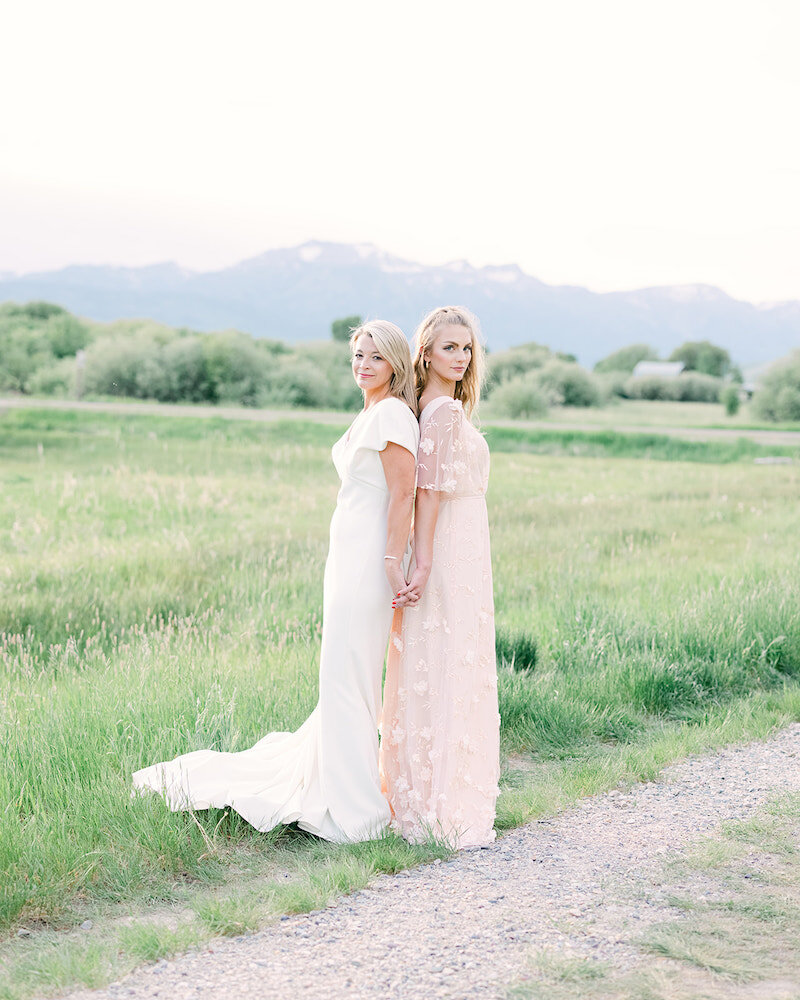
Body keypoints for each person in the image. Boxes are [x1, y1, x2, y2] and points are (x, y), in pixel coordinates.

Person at [134, 321, 419, 844]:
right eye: (357, 355)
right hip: (347, 555)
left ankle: (354, 806)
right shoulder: (372, 412)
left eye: (374, 358)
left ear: (395, 365)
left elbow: (404, 495)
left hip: (369, 563)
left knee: (349, 675)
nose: (363, 365)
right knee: (339, 673)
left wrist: (391, 559)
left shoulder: (395, 414)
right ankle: (338, 781)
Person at [380, 306, 500, 849]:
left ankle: (422, 791)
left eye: (467, 348)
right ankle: (443, 798)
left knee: (442, 654)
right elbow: (426, 493)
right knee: (453, 657)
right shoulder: (444, 412)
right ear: (425, 351)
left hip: (462, 538)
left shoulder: (436, 406)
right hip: (452, 542)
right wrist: (422, 560)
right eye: (450, 347)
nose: (461, 357)